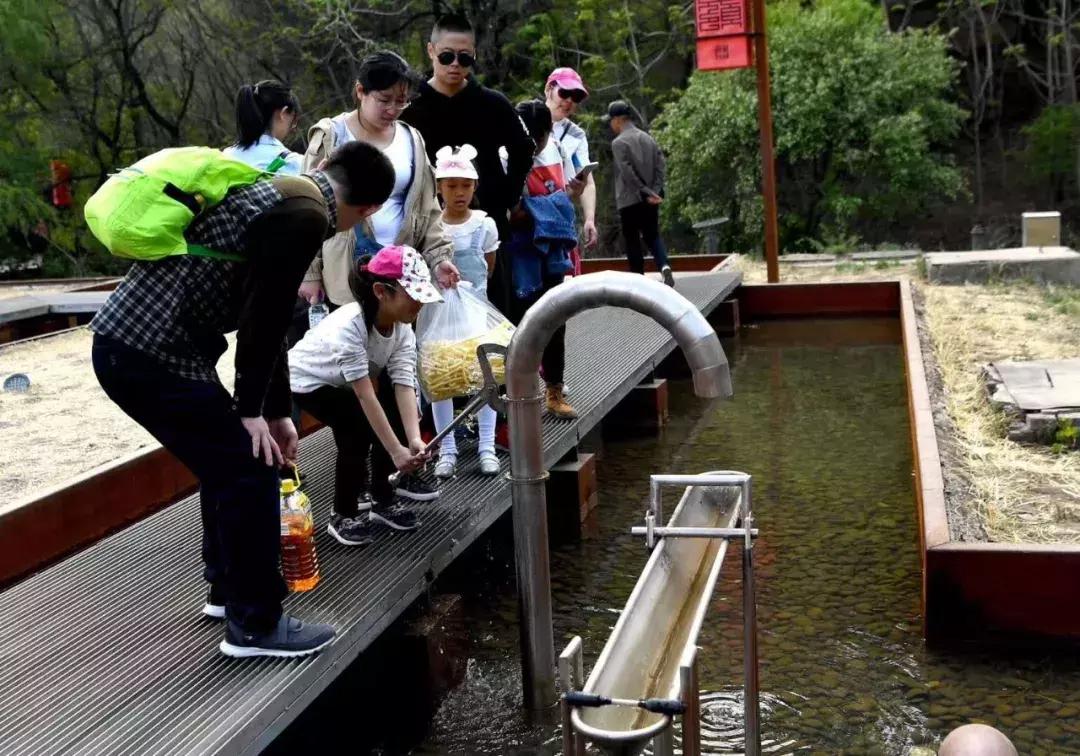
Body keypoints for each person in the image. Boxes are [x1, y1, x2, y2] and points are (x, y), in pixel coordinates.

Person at [90, 141, 396, 659]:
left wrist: (274, 412)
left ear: (325, 166)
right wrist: (251, 409)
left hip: (139, 347)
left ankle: (227, 593)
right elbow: (265, 318)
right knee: (249, 470)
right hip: (150, 350)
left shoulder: (284, 194)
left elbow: (266, 315)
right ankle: (255, 625)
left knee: (232, 464)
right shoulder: (304, 217)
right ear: (369, 209)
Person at [290, 246, 440, 547]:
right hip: (307, 380)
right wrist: (396, 452)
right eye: (414, 295)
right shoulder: (350, 327)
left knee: (395, 414)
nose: (421, 302)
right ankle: (342, 513)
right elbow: (365, 395)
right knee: (356, 430)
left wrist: (412, 440)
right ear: (381, 292)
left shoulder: (401, 328)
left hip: (346, 383)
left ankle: (383, 498)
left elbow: (403, 384)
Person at [399, 13, 535, 316]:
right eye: (447, 56)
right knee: (428, 314)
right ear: (431, 51)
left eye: (465, 58)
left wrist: (507, 194)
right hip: (427, 225)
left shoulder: (493, 103)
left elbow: (523, 148)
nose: (455, 65)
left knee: (495, 311)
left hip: (485, 225)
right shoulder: (410, 107)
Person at [300, 50, 457, 313]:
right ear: (361, 91)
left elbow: (428, 208)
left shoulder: (412, 139)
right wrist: (310, 272)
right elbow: (309, 207)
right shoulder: (332, 136)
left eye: (401, 102)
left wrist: (438, 257)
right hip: (346, 270)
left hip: (401, 274)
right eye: (384, 100)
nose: (393, 109)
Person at [504, 100, 581, 419]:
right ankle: (515, 392)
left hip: (552, 250)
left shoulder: (556, 150)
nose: (534, 145)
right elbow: (509, 211)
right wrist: (542, 209)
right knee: (516, 320)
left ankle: (554, 389)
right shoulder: (505, 155)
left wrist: (564, 199)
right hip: (517, 249)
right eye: (528, 138)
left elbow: (565, 193)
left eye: (540, 138)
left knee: (554, 318)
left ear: (550, 133)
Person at [429, 145, 501, 478]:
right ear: (439, 188)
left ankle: (487, 445)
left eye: (466, 186)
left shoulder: (484, 225)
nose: (459, 193)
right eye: (451, 185)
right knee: (439, 379)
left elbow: (489, 267)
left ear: (475, 187)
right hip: (438, 315)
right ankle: (447, 448)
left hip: (476, 314)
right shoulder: (432, 227)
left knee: (485, 376)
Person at [603, 100, 674, 287]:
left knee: (632, 239)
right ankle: (664, 266)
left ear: (618, 120)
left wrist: (644, 192)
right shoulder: (648, 138)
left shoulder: (618, 143)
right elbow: (661, 165)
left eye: (611, 120)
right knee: (653, 235)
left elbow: (627, 172)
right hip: (651, 199)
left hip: (629, 199)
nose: (611, 124)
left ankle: (639, 280)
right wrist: (655, 191)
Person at [543, 68, 598, 262]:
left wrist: (589, 219)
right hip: (526, 214)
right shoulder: (524, 118)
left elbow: (587, 182)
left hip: (559, 216)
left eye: (576, 97)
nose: (569, 101)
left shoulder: (576, 135)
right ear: (549, 89)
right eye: (564, 93)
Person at [223, 80, 304, 175]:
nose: (293, 129)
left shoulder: (225, 157)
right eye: (293, 120)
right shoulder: (294, 163)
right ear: (283, 114)